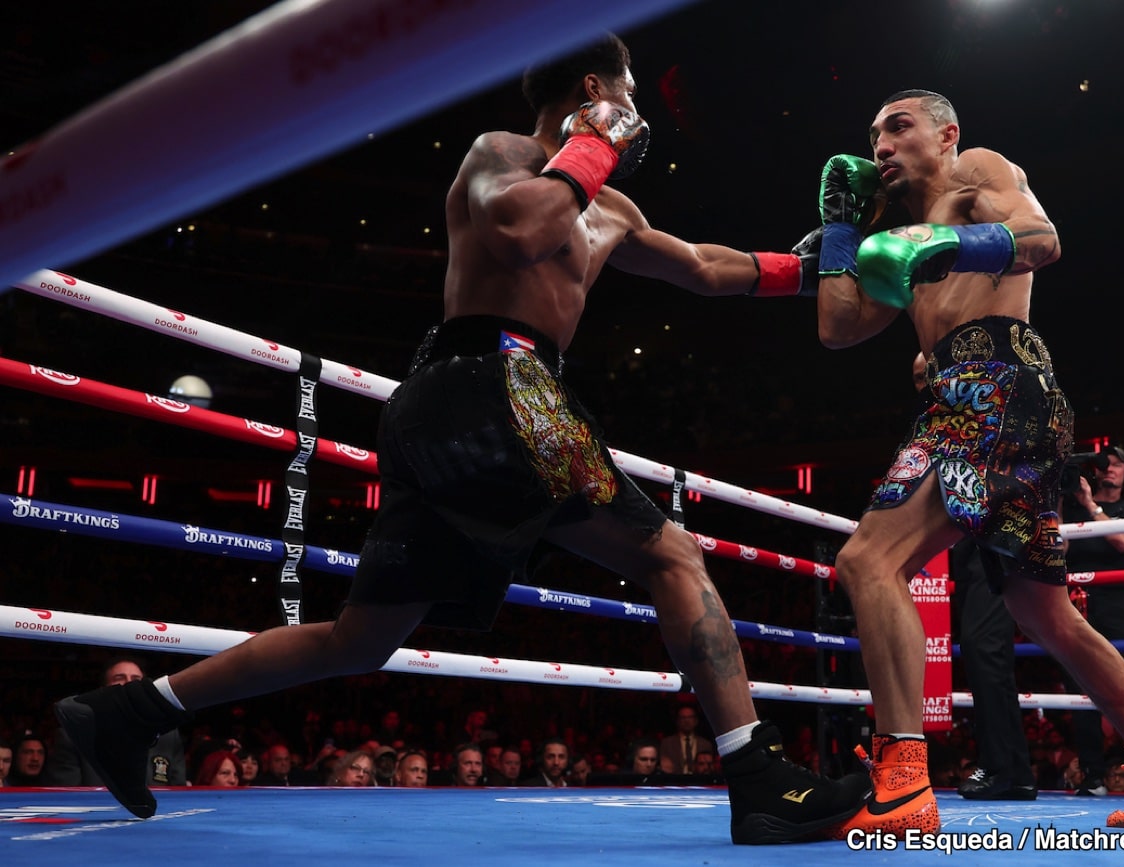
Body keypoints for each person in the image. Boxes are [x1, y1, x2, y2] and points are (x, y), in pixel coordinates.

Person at [52, 32, 866, 846]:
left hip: (468, 404)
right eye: (629, 90)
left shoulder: (612, 207)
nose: (639, 109)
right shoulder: (503, 153)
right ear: (594, 87)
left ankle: (130, 710)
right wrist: (596, 142)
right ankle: (757, 776)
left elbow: (704, 267)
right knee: (672, 556)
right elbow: (518, 229)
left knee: (360, 638)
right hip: (495, 382)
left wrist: (817, 262)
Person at [810, 89, 1124, 836]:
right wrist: (841, 230)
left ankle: (901, 783)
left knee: (869, 560)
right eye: (873, 137)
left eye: (899, 128)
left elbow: (1041, 237)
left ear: (946, 135)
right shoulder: (894, 235)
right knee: (1043, 611)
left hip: (994, 382)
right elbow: (839, 328)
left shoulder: (976, 171)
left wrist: (950, 244)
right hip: (989, 398)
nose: (882, 147)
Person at [908, 351, 1036, 801]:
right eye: (918, 379)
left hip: (995, 539)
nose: (923, 384)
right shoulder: (935, 423)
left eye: (929, 375)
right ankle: (1013, 771)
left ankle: (1004, 769)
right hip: (970, 547)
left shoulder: (983, 411)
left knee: (986, 649)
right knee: (986, 655)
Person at [1061, 444, 1124, 794]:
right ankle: (1092, 776)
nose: (1109, 468)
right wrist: (1060, 500)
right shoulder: (1073, 509)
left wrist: (1091, 506)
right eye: (1104, 464)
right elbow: (1059, 548)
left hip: (1116, 604)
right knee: (1079, 685)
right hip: (1076, 604)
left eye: (1117, 464)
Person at [45, 658, 187, 788]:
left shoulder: (168, 735)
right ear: (103, 690)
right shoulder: (74, 735)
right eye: (119, 678)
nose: (129, 683)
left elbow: (179, 791)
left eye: (136, 679)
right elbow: (67, 797)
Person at [659, 703, 714, 775]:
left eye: (690, 717)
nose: (687, 721)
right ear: (677, 721)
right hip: (674, 779)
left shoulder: (705, 744)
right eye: (683, 717)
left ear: (696, 720)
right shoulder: (667, 743)